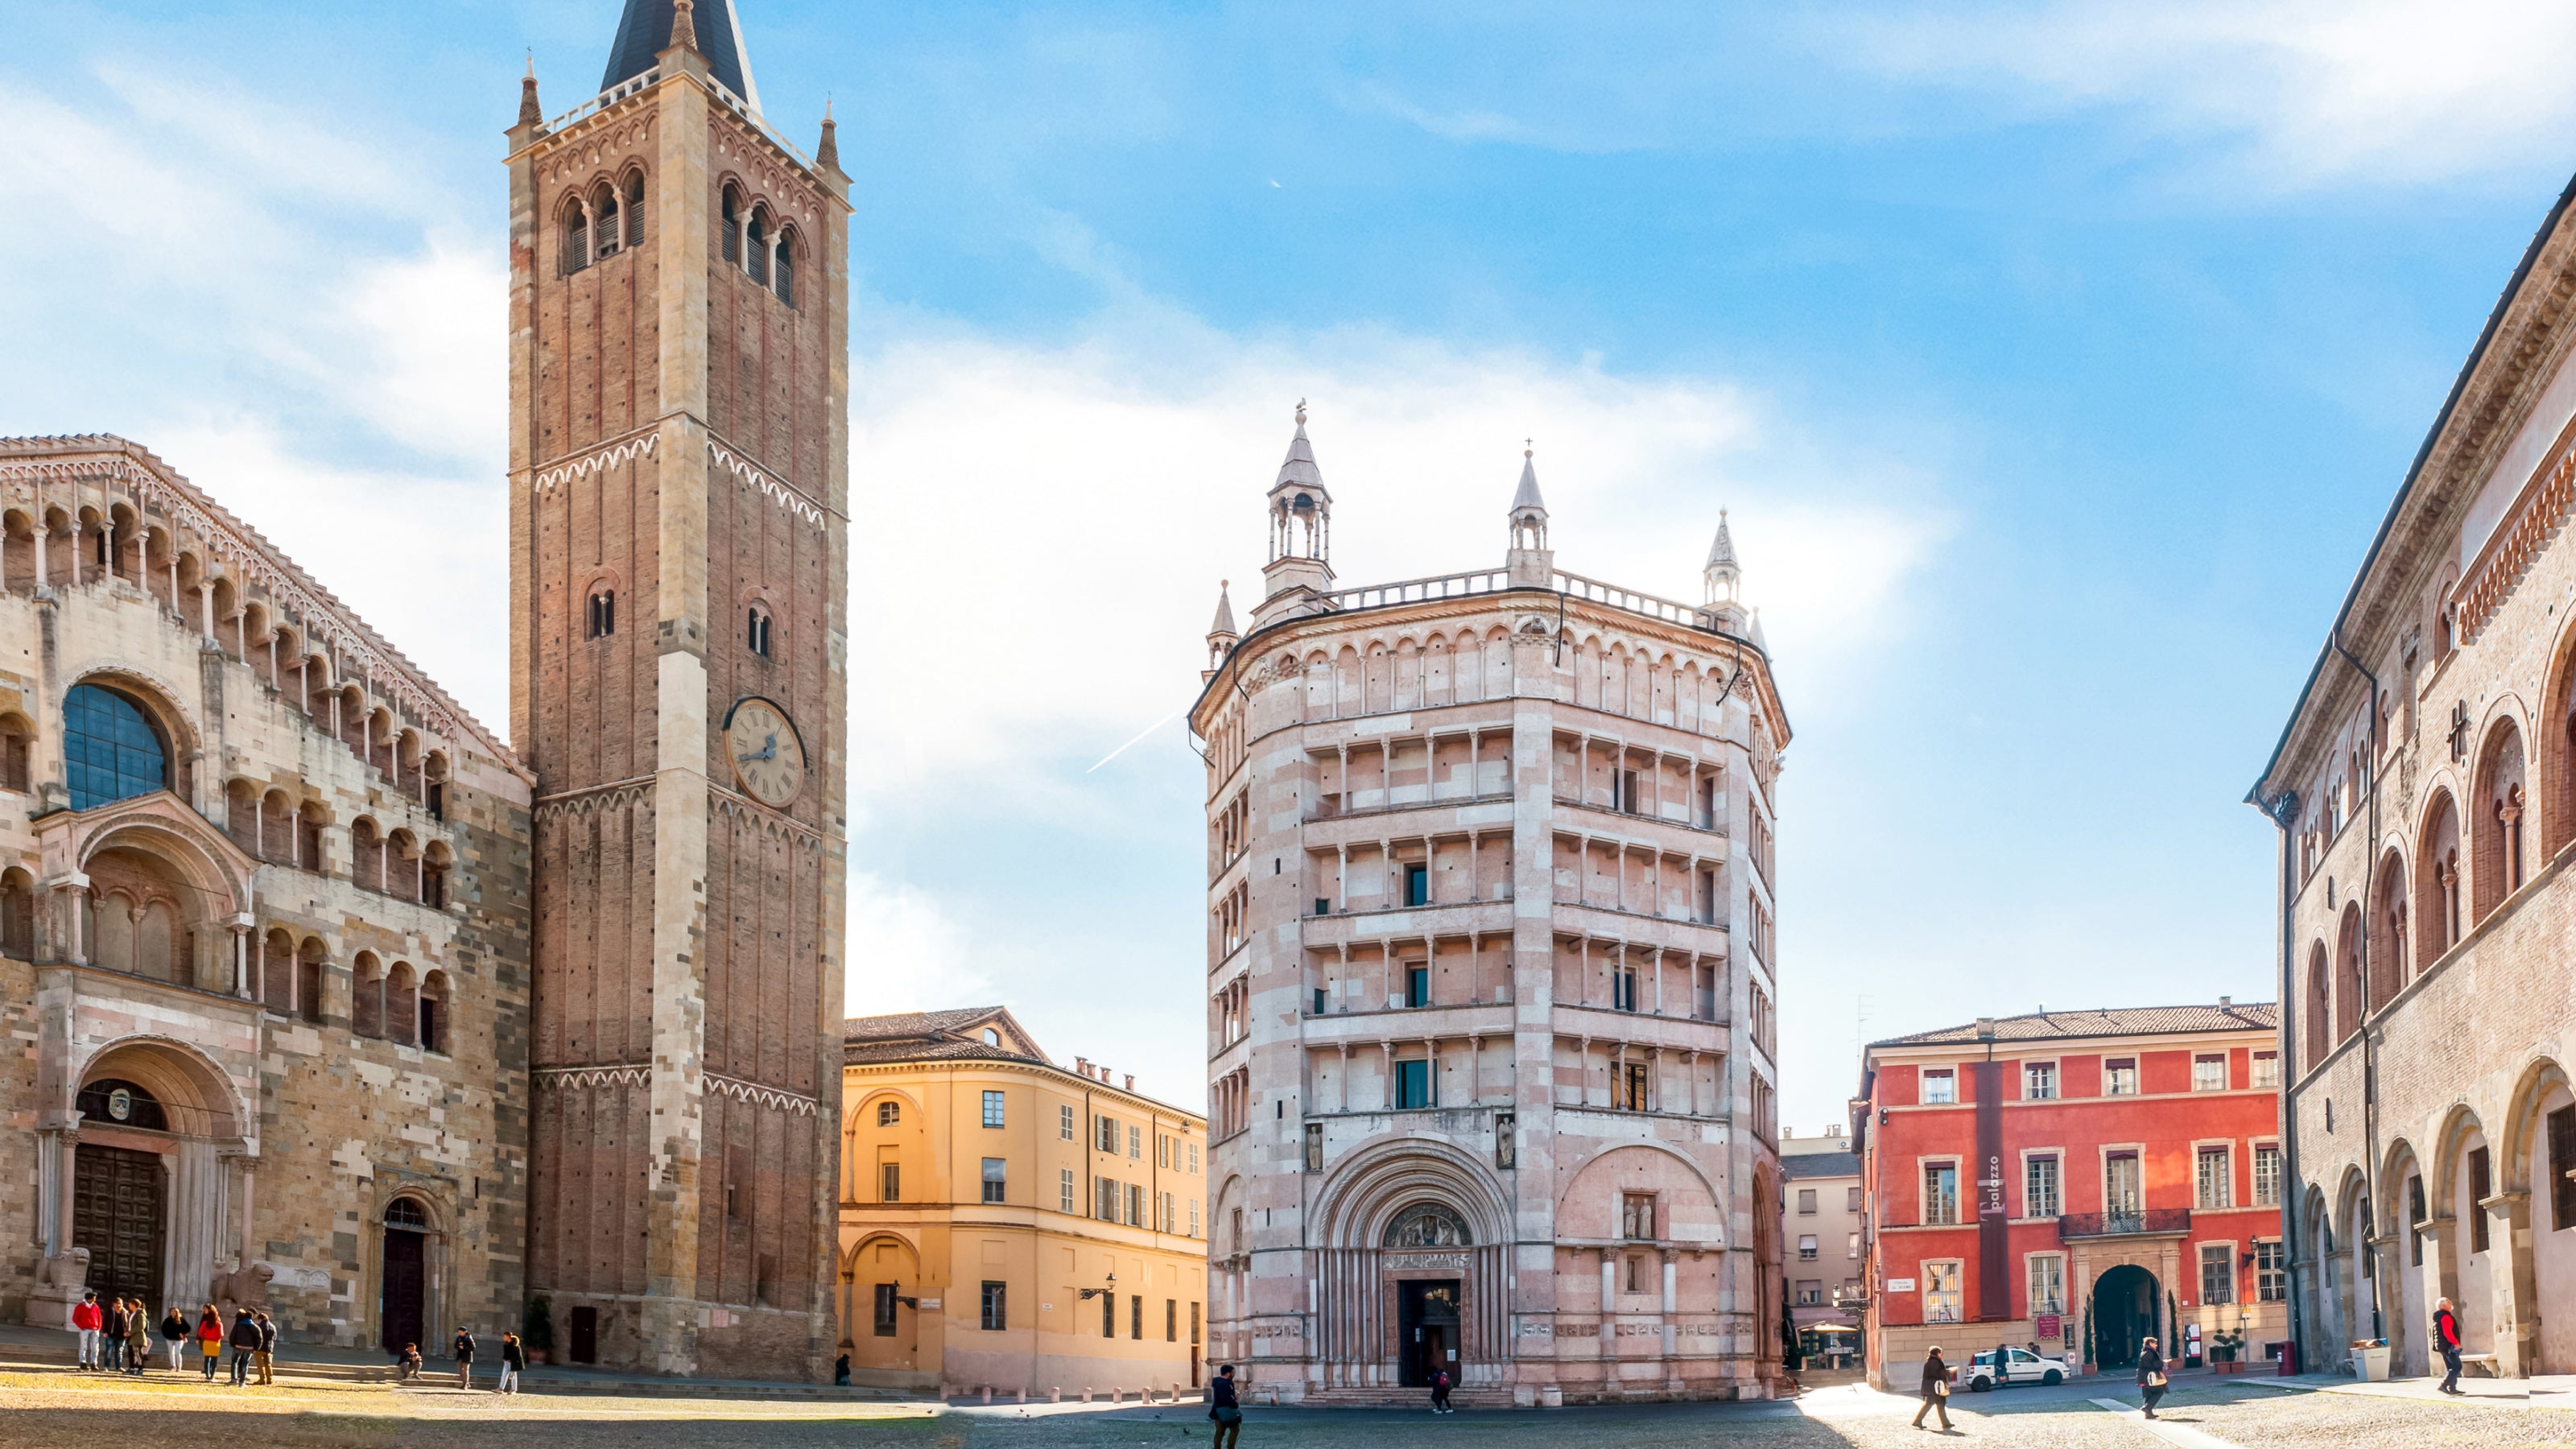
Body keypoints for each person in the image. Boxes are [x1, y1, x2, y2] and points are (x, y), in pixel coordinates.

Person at [1911, 1346, 1952, 1431]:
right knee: (1930, 1405)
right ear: (1937, 1353)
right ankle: (1917, 1421)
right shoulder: (1935, 1362)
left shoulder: (1932, 1362)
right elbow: (1937, 1374)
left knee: (1940, 1405)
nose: (1941, 1355)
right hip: (1935, 1388)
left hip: (1934, 1388)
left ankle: (1945, 1423)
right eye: (1941, 1353)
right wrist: (1948, 1372)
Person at [1207, 1363, 1243, 1449]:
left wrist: (1234, 1398)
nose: (1233, 1374)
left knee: (1219, 1432)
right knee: (1234, 1429)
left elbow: (1227, 1397)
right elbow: (1225, 1399)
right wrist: (1235, 1403)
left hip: (1218, 1411)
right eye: (1232, 1372)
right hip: (1226, 1411)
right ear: (1228, 1373)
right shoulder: (1224, 1384)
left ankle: (1217, 1447)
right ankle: (1230, 1447)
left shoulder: (1222, 1382)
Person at [2434, 1297, 2464, 1395]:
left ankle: (2452, 1387)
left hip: (2443, 1345)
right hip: (2448, 1346)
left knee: (2450, 1367)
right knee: (2457, 1366)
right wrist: (2455, 1343)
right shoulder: (2446, 1317)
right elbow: (2448, 1332)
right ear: (2444, 1306)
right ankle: (2443, 1385)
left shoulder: (2439, 1317)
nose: (2451, 1304)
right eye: (2449, 1303)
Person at [2138, 1335, 2169, 1419]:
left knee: (2149, 1394)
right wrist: (2163, 1362)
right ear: (2151, 1343)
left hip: (2145, 1377)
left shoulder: (2145, 1352)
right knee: (2159, 1391)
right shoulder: (2149, 1352)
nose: (2156, 1345)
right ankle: (2147, 1408)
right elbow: (2152, 1364)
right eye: (2155, 1343)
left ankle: (2148, 1414)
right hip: (2150, 1377)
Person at [228, 1307, 259, 1385]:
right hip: (249, 1348)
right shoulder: (254, 1326)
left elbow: (232, 1335)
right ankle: (242, 1382)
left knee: (234, 1362)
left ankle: (233, 1379)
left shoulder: (238, 1325)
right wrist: (256, 1348)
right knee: (245, 1364)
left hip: (238, 1346)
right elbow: (259, 1338)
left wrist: (233, 1344)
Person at [72, 1290, 102, 1370]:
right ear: (90, 1298)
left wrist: (99, 1327)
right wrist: (81, 1326)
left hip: (95, 1329)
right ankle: (83, 1362)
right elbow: (75, 1318)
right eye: (94, 1297)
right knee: (83, 1346)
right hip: (85, 1329)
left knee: (95, 1347)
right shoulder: (80, 1306)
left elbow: (99, 1317)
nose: (95, 1299)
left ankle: (94, 1363)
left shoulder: (95, 1306)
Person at [196, 1305, 224, 1380]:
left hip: (207, 1342)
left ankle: (207, 1375)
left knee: (207, 1359)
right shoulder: (219, 1324)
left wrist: (205, 1335)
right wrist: (217, 1337)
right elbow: (221, 1335)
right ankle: (212, 1375)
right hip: (215, 1343)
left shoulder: (205, 1323)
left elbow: (200, 1332)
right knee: (214, 1360)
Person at [124, 1298, 151, 1374]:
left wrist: (131, 1332)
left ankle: (140, 1369)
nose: (128, 1305)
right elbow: (130, 1325)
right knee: (131, 1353)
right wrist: (127, 1331)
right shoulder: (132, 1314)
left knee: (138, 1353)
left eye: (130, 1304)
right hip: (131, 1336)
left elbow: (141, 1326)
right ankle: (132, 1368)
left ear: (133, 1304)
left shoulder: (140, 1314)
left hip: (137, 1336)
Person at [161, 1305, 190, 1371]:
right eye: (172, 1311)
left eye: (174, 1311)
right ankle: (173, 1365)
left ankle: (179, 1366)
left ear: (177, 1312)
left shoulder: (181, 1320)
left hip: (179, 1339)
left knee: (177, 1352)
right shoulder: (167, 1320)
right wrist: (166, 1335)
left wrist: (182, 1333)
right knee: (171, 1352)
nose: (173, 1313)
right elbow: (163, 1329)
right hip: (169, 1339)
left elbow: (188, 1328)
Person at [497, 1331, 525, 1395]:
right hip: (507, 1362)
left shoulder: (515, 1345)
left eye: (505, 1336)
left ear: (508, 1337)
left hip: (513, 1363)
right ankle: (500, 1388)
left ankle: (513, 1389)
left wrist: (512, 1360)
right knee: (504, 1375)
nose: (503, 1337)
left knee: (513, 1376)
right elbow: (507, 1353)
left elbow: (517, 1355)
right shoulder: (506, 1344)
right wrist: (504, 1358)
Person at [254, 1310, 276, 1385]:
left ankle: (262, 1379)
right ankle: (270, 1379)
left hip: (260, 1348)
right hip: (269, 1348)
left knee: (260, 1365)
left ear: (260, 1319)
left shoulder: (259, 1327)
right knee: (268, 1364)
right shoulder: (273, 1326)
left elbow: (256, 1337)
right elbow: (275, 1338)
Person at [453, 1325, 477, 1389]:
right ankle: (466, 1382)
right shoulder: (459, 1337)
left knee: (466, 1371)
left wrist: (464, 1348)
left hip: (467, 1356)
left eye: (460, 1332)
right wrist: (458, 1346)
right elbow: (455, 1345)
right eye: (459, 1332)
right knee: (460, 1371)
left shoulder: (469, 1337)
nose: (459, 1333)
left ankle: (465, 1385)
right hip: (460, 1356)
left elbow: (473, 1348)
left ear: (464, 1332)